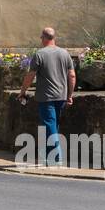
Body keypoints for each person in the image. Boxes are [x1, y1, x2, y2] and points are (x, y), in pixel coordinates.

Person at [19, 27, 76, 165]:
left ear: (44, 38)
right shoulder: (65, 53)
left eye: (41, 38)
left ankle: (57, 157)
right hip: (61, 95)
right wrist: (69, 95)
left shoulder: (40, 54)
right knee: (53, 125)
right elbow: (72, 75)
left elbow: (30, 75)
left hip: (46, 96)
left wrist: (22, 91)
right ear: (54, 38)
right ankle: (47, 156)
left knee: (49, 125)